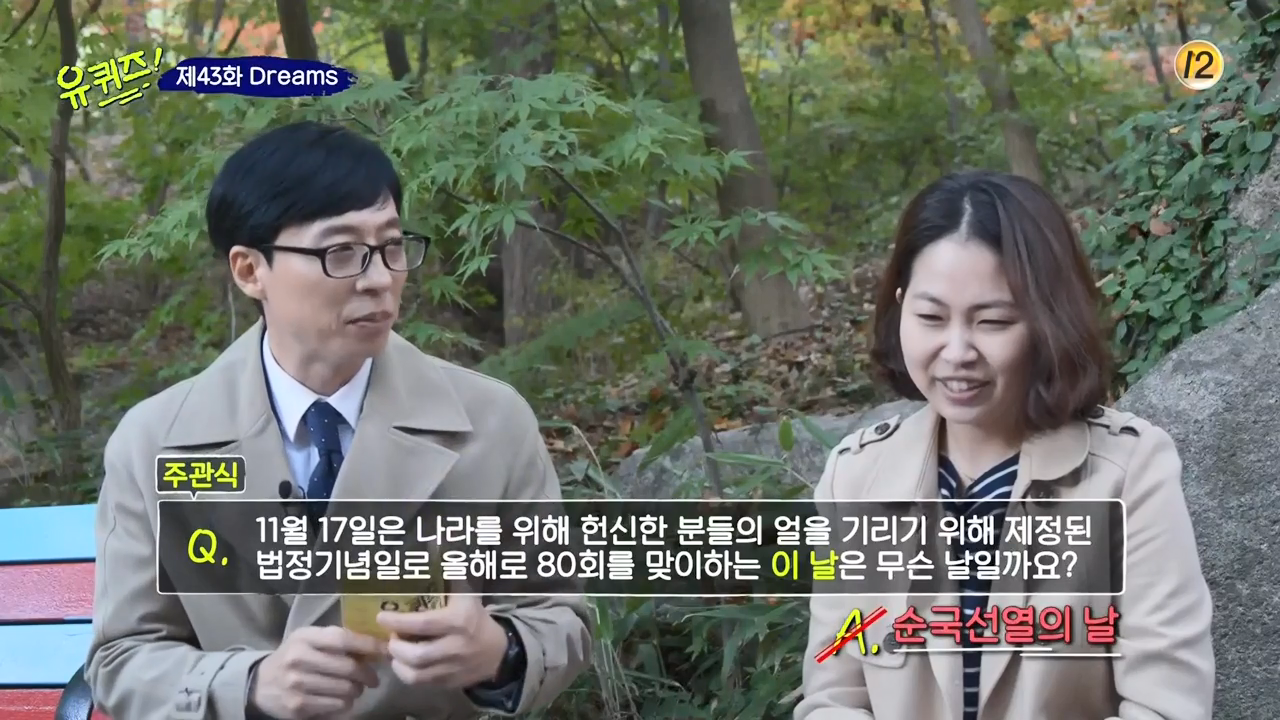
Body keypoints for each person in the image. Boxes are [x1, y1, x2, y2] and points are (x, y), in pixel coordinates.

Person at [85, 121, 592, 719]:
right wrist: (251, 684)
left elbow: (559, 619)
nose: (379, 279)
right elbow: (123, 657)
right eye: (341, 252)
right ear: (250, 271)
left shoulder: (491, 423)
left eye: (392, 247)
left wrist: (498, 652)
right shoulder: (157, 442)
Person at [795, 171, 1213, 720]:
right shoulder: (855, 477)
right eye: (930, 317)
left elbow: (1166, 706)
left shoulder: (1128, 473)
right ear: (900, 309)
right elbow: (833, 696)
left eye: (992, 321)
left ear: (1047, 319)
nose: (956, 352)